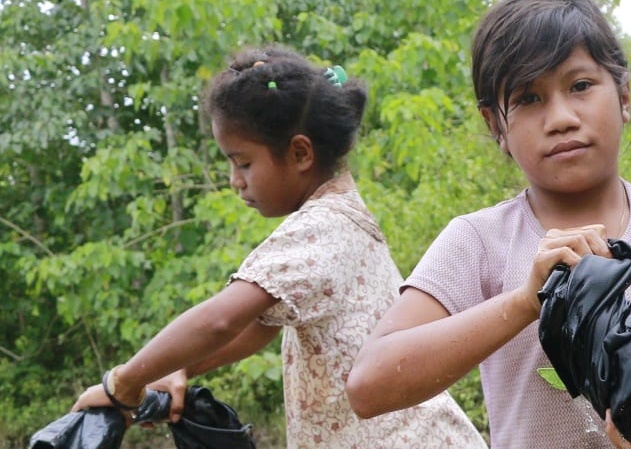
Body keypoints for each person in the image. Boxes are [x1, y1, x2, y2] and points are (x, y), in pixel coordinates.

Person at [344, 0, 631, 447]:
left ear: (624, 96)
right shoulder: (477, 241)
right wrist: (526, 300)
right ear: (495, 124)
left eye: (580, 85)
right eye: (527, 98)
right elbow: (368, 385)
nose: (560, 119)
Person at [69, 45, 487, 449]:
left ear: (300, 152)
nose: (235, 180)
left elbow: (222, 320)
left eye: (243, 162)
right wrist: (179, 369)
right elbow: (259, 327)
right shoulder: (344, 218)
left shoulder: (320, 226)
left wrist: (123, 385)